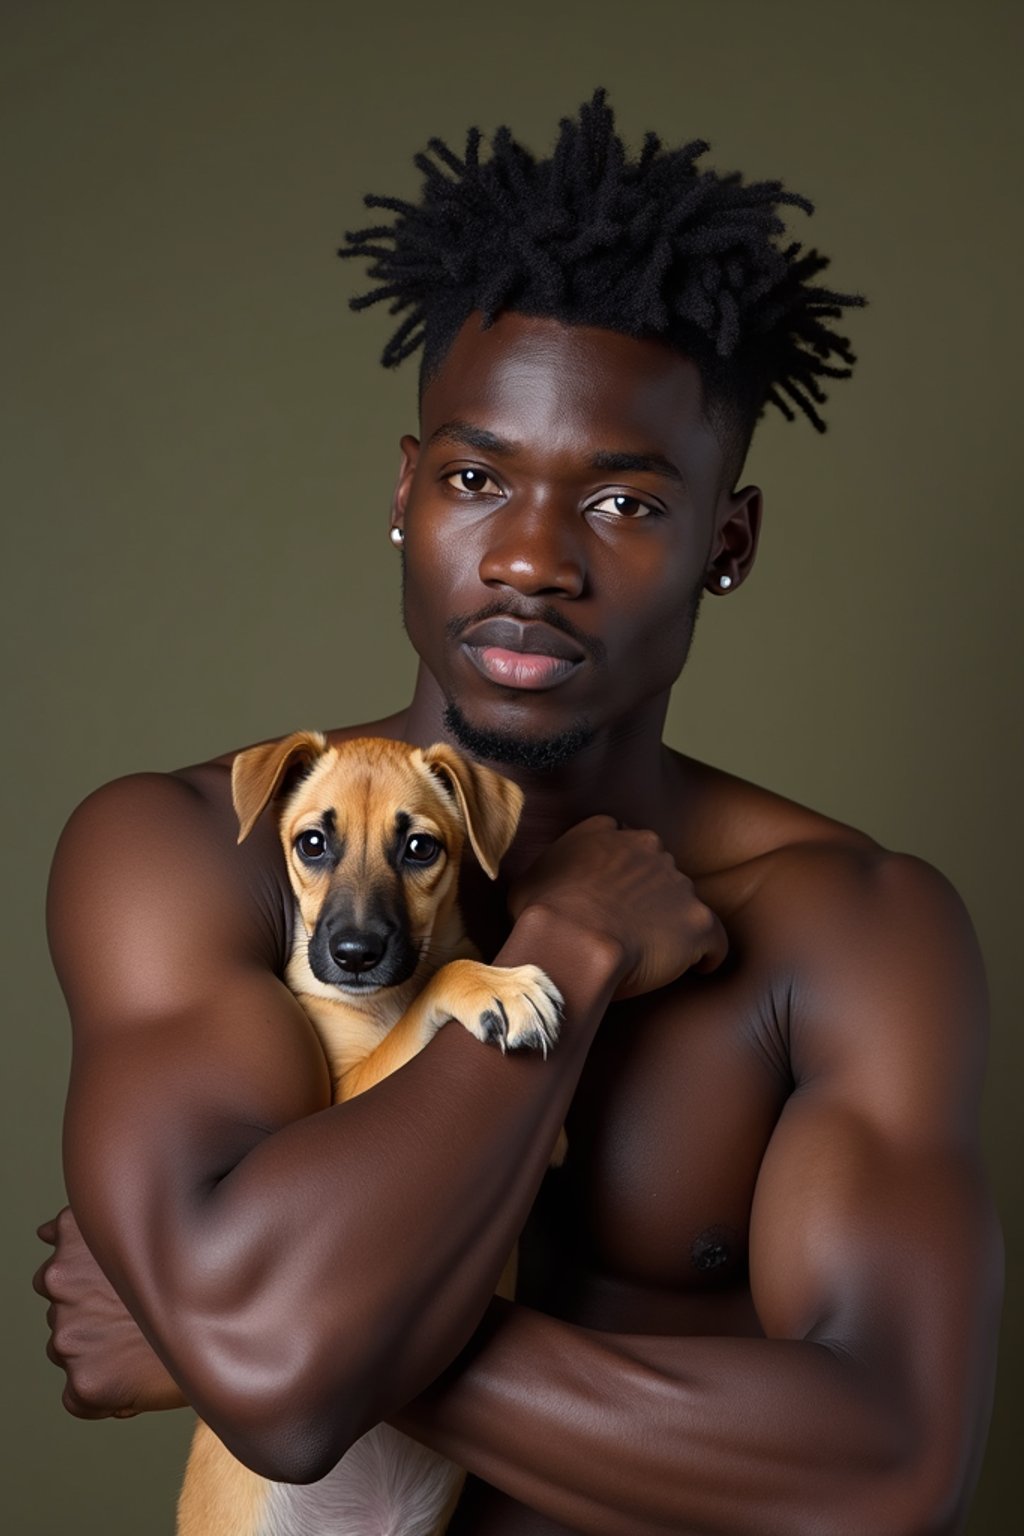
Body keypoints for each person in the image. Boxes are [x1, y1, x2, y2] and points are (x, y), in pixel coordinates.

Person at [34, 91, 1002, 1534]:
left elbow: (886, 1471)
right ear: (407, 494)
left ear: (725, 541)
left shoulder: (849, 927)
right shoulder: (192, 853)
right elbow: (281, 1396)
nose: (532, 560)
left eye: (622, 504)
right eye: (480, 478)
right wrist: (561, 959)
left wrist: (234, 1334)